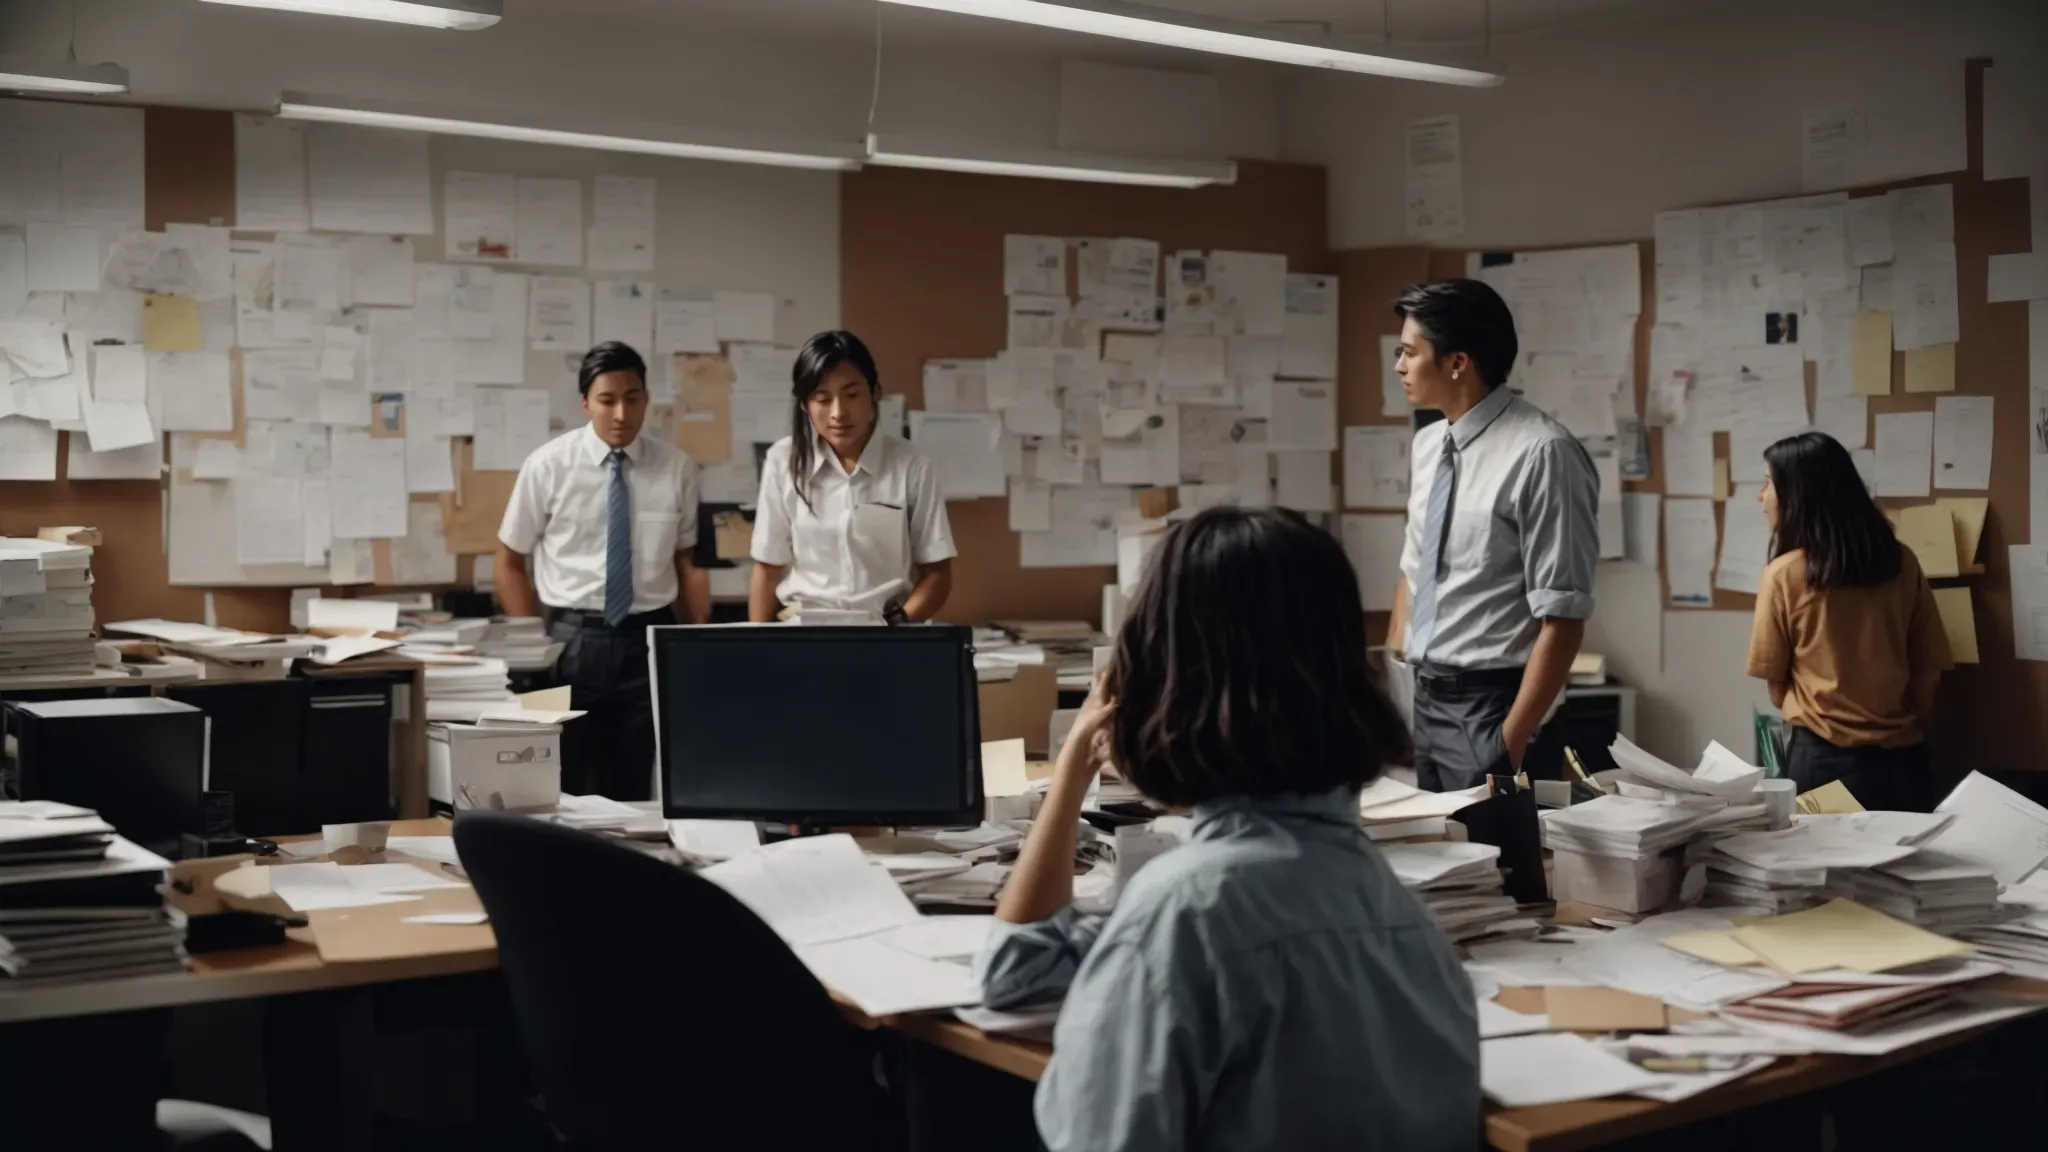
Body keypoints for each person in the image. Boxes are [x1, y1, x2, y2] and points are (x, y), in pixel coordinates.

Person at [977, 507, 1478, 1152]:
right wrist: (1073, 770)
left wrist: (1079, 756)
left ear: (1160, 679)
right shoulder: (1398, 915)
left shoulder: (1183, 915)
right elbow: (1020, 971)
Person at [1386, 278, 1599, 791]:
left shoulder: (1542, 453)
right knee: (1446, 869)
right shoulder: (1428, 443)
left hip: (1493, 705)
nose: (1398, 366)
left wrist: (1511, 738)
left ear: (1456, 362)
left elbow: (1564, 614)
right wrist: (1397, 681)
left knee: (1503, 867)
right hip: (1425, 696)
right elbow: (1414, 569)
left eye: (1409, 353)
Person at [495, 341, 709, 801]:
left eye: (632, 399)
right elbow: (509, 561)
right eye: (607, 400)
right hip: (572, 640)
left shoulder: (677, 469)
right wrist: (531, 646)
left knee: (635, 785)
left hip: (648, 640)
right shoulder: (548, 465)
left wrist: (699, 648)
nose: (620, 413)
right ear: (585, 403)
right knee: (560, 784)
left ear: (646, 398)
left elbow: (687, 566)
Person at [1746, 431, 1952, 812]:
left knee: (1823, 870)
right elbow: (1929, 671)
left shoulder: (1783, 574)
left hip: (1822, 762)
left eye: (1769, 483)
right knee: (1904, 869)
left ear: (1798, 494)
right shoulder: (1902, 562)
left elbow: (1776, 686)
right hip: (1904, 762)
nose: (1761, 496)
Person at [748, 331, 955, 622]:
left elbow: (937, 574)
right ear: (805, 406)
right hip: (804, 632)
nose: (838, 412)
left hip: (886, 630)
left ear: (874, 394)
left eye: (852, 394)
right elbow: (767, 569)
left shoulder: (913, 466)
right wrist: (757, 655)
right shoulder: (783, 462)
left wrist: (896, 627)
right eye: (822, 399)